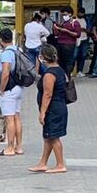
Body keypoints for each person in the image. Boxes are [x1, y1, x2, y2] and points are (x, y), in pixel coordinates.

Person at [29, 44, 68, 174]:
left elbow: (47, 94)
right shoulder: (60, 70)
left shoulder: (49, 75)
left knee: (54, 137)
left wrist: (42, 113)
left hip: (53, 109)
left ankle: (60, 164)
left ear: (43, 58)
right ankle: (43, 163)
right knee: (48, 136)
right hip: (59, 106)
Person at [0, 29, 23, 157]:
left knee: (9, 118)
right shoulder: (18, 50)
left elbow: (5, 73)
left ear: (1, 40)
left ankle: (10, 148)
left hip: (9, 89)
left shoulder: (6, 54)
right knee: (16, 117)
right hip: (19, 87)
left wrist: (1, 90)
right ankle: (19, 147)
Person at [51, 7, 81, 74]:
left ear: (70, 14)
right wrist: (55, 28)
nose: (64, 16)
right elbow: (57, 34)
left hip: (69, 45)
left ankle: (67, 76)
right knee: (60, 61)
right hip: (60, 44)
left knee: (68, 62)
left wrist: (67, 31)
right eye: (62, 15)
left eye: (65, 14)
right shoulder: (62, 22)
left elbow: (77, 34)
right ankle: (62, 76)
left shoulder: (75, 23)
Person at [72, 8, 90, 76]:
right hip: (76, 39)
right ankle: (71, 70)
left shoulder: (86, 20)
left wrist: (85, 30)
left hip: (84, 39)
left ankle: (80, 71)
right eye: (80, 13)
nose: (81, 14)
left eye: (82, 13)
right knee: (74, 56)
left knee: (83, 55)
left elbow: (89, 30)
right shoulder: (74, 19)